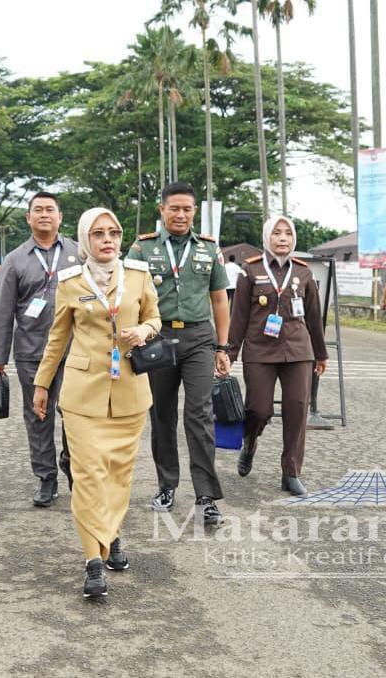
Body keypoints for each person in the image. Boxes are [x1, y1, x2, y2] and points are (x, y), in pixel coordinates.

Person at [32, 207, 160, 598]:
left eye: (114, 233)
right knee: (88, 475)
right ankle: (93, 561)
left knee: (118, 474)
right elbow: (57, 338)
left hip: (129, 392)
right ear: (85, 239)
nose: (107, 240)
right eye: (99, 234)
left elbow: (156, 318)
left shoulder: (138, 275)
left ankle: (112, 534)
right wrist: (41, 384)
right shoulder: (71, 281)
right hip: (82, 394)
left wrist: (144, 330)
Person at [125, 181, 230, 524]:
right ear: (162, 210)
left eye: (187, 209)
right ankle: (166, 484)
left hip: (199, 338)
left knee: (199, 413)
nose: (181, 215)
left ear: (194, 211)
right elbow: (129, 297)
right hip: (157, 335)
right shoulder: (142, 249)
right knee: (162, 414)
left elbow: (219, 299)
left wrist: (222, 346)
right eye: (174, 208)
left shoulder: (209, 249)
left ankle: (206, 496)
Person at [0, 191, 82, 506]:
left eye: (50, 209)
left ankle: (72, 464)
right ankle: (46, 477)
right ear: (28, 218)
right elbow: (2, 311)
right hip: (31, 351)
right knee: (38, 415)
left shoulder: (78, 253)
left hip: (73, 351)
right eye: (37, 210)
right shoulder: (15, 260)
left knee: (75, 412)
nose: (44, 214)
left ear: (60, 217)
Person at [229, 216, 328, 497]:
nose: (282, 238)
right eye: (276, 233)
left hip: (298, 350)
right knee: (258, 409)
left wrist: (320, 354)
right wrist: (229, 353)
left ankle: (291, 472)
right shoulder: (250, 270)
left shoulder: (303, 272)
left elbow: (314, 317)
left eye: (287, 233)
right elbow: (239, 316)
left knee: (297, 409)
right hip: (259, 350)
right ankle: (250, 442)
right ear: (267, 237)